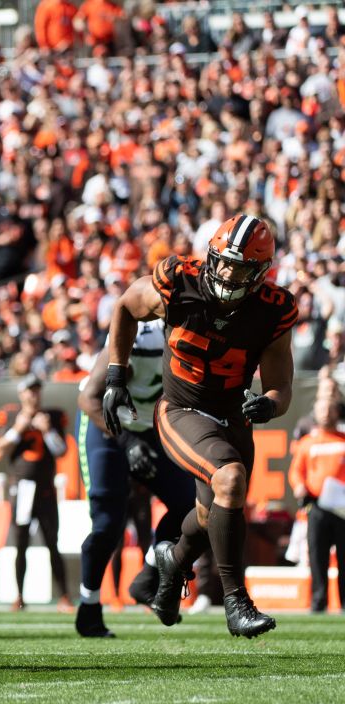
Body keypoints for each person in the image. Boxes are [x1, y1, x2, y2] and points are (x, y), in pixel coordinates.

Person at [104, 214, 296, 638]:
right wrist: (116, 375)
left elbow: (281, 386)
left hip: (231, 417)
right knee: (229, 479)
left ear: (260, 272)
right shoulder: (179, 280)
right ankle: (236, 603)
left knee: (214, 514)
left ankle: (171, 561)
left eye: (240, 267)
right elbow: (125, 307)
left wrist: (269, 404)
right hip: (181, 410)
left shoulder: (273, 309)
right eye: (223, 262)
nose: (227, 272)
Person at [74, 319, 196, 638]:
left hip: (149, 428)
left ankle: (148, 576)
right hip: (107, 425)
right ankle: (88, 608)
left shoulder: (196, 340)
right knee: (108, 523)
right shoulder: (140, 339)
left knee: (190, 506)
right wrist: (126, 442)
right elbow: (88, 399)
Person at [0, 374, 72, 611]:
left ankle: (64, 596)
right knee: (20, 544)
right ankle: (19, 595)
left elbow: (61, 451)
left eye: (37, 390)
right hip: (23, 489)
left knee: (53, 543)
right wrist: (18, 428)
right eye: (29, 390)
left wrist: (48, 430)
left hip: (46, 489)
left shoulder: (53, 416)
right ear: (21, 394)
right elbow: (0, 449)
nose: (33, 395)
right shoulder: (10, 415)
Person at [288, 396, 345, 613]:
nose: (326, 413)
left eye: (330, 409)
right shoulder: (307, 443)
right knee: (317, 556)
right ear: (315, 413)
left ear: (337, 412)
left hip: (342, 508)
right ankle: (318, 602)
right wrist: (299, 486)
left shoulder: (343, 439)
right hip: (317, 507)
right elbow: (296, 471)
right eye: (322, 409)